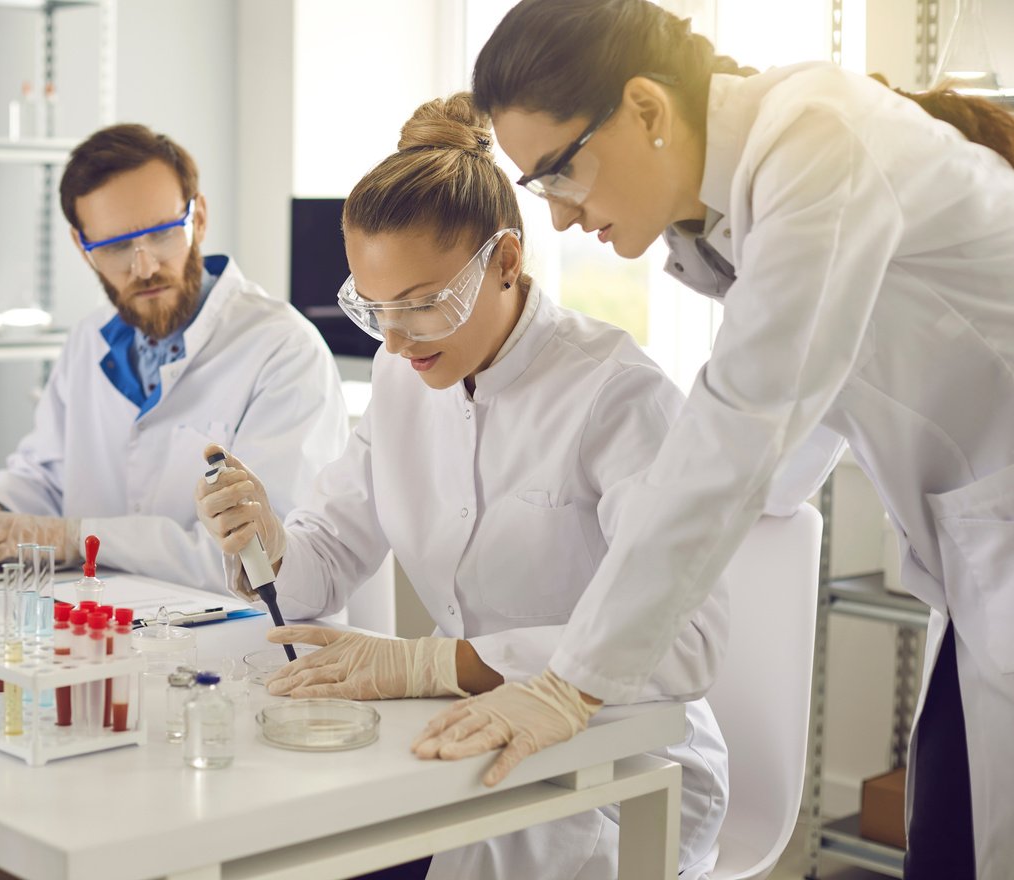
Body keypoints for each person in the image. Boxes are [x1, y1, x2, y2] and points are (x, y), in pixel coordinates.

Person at [414, 1, 1014, 876]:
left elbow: (746, 424)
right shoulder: (735, 211)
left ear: (648, 110)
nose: (561, 219)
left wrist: (567, 683)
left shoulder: (818, 140)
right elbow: (790, 423)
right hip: (980, 567)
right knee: (956, 844)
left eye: (558, 174)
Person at [195, 94, 727, 880]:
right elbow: (327, 557)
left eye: (420, 305)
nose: (397, 339)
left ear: (506, 262)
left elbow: (684, 643)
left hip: (622, 769)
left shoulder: (616, 396)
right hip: (460, 746)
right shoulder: (400, 372)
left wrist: (435, 664)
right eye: (372, 309)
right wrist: (266, 539)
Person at [0, 124, 348, 588]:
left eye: (161, 234)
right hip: (111, 632)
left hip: (252, 643)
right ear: (82, 248)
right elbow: (45, 475)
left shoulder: (283, 349)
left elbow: (268, 554)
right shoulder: (88, 340)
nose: (145, 267)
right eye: (115, 247)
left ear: (197, 219)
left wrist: (79, 537)